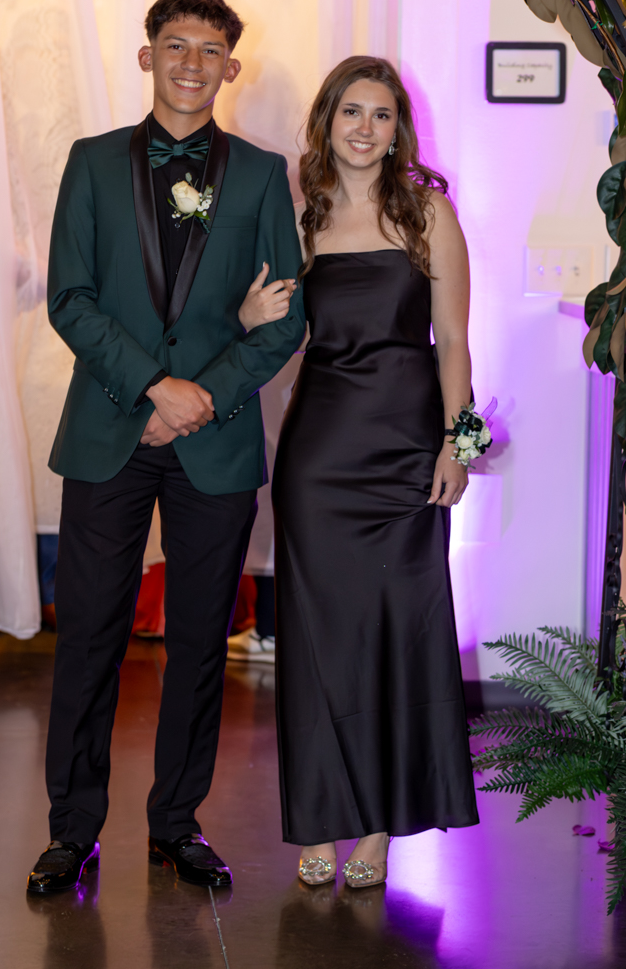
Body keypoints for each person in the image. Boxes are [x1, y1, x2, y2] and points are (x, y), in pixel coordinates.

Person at [27, 0, 305, 894]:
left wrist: (198, 397)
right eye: (176, 45)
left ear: (233, 64)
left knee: (197, 645)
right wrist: (151, 386)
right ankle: (73, 829)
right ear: (147, 56)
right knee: (90, 640)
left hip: (213, 443)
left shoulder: (264, 176)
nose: (193, 62)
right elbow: (69, 294)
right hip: (111, 427)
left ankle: (176, 825)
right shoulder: (92, 162)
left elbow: (282, 320)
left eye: (212, 48)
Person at [271, 55, 480, 890]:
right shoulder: (300, 216)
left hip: (406, 456)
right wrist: (254, 314)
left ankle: (380, 829)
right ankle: (321, 814)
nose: (364, 128)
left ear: (400, 128)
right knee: (321, 643)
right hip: (320, 457)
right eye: (350, 112)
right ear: (327, 121)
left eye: (381, 115)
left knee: (401, 635)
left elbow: (456, 343)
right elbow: (273, 331)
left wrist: (455, 448)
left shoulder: (428, 213)